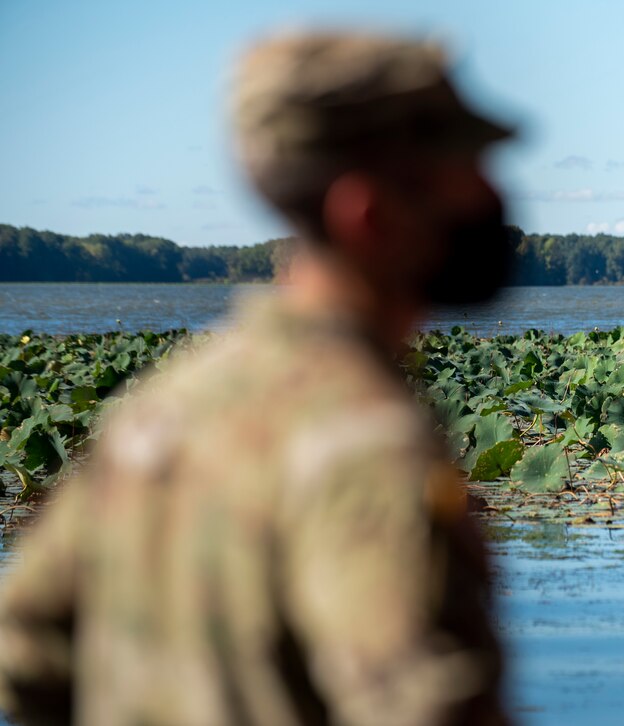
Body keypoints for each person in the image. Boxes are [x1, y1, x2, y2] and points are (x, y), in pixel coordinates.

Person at [0, 30, 514, 725]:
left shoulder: (164, 407)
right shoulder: (365, 445)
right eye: (466, 167)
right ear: (369, 213)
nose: (494, 195)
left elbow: (24, 653)